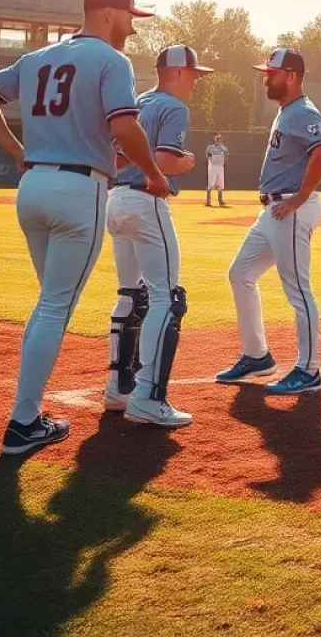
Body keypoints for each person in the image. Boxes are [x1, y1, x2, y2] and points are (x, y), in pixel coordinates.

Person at [0, 0, 169, 455]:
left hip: (33, 187)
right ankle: (23, 421)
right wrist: (153, 174)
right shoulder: (112, 61)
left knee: (49, 303)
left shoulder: (36, 59)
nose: (132, 24)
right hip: (78, 189)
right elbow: (125, 125)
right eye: (129, 15)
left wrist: (16, 151)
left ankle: (27, 418)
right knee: (53, 307)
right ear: (107, 13)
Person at [105, 44, 214, 428]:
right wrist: (185, 162)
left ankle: (118, 389)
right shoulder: (174, 107)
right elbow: (167, 159)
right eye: (195, 74)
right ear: (179, 72)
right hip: (147, 200)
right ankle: (149, 395)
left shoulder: (136, 102)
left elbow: (115, 156)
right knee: (167, 296)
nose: (198, 81)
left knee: (129, 294)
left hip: (115, 198)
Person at [215, 48, 321, 394]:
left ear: (292, 76)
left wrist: (298, 199)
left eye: (272, 72)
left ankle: (309, 370)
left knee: (298, 290)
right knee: (241, 274)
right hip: (273, 210)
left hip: (291, 208)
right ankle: (257, 356)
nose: (266, 77)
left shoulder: (302, 112)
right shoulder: (287, 112)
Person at [206, 133, 229, 207]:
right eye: (217, 139)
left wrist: (224, 161)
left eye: (219, 139)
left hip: (220, 167)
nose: (218, 140)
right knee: (211, 183)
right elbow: (207, 154)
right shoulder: (210, 147)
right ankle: (208, 201)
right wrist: (210, 159)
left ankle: (220, 200)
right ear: (215, 140)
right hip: (212, 167)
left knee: (220, 184)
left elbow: (226, 154)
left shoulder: (223, 148)